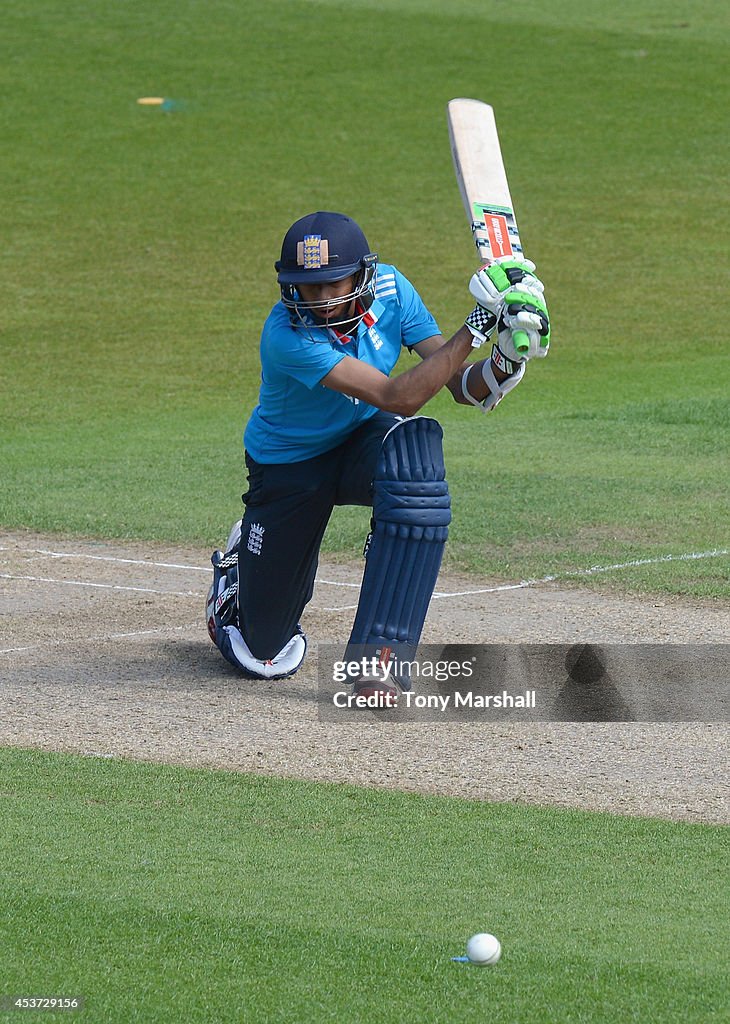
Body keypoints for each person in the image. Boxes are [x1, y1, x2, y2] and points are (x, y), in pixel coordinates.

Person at [206, 211, 550, 704]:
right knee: (262, 650)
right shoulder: (286, 336)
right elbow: (397, 396)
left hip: (360, 438)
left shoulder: (392, 289)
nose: (321, 300)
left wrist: (508, 352)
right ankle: (235, 583)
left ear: (362, 274)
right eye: (307, 287)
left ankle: (379, 664)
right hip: (290, 468)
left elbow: (459, 384)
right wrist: (477, 324)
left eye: (332, 283)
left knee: (415, 462)